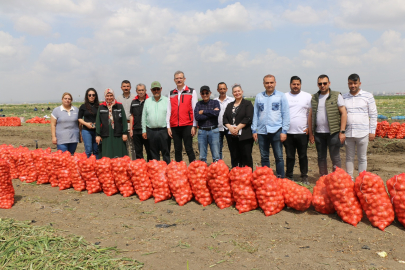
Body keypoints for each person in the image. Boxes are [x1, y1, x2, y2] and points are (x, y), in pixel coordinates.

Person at [308, 74, 347, 176]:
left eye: (325, 83)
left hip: (333, 133)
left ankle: (337, 178)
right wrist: (311, 134)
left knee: (335, 157)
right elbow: (310, 115)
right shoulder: (314, 98)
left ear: (329, 83)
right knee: (321, 157)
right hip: (319, 134)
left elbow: (343, 113)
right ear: (317, 84)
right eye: (320, 84)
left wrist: (342, 131)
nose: (322, 85)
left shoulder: (336, 95)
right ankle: (323, 178)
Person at [252, 74, 290, 178]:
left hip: (276, 130)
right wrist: (254, 130)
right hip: (262, 131)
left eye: (271, 82)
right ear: (263, 84)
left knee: (279, 156)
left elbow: (285, 114)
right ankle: (266, 178)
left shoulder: (281, 96)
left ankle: (280, 178)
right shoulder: (259, 96)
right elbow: (255, 114)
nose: (269, 85)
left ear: (275, 83)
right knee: (264, 156)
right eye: (267, 83)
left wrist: (284, 131)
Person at [343, 74, 378, 179]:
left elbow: (373, 114)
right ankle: (350, 180)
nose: (353, 85)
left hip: (363, 133)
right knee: (349, 157)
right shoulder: (343, 97)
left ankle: (361, 180)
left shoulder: (368, 96)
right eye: (350, 83)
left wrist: (372, 131)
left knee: (362, 157)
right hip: (348, 133)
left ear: (359, 83)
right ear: (348, 84)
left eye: (355, 83)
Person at [283, 76, 312, 184]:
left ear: (300, 85)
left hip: (302, 132)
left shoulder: (307, 96)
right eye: (294, 84)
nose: (296, 86)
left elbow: (310, 114)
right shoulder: (284, 96)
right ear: (290, 84)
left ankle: (304, 176)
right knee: (290, 156)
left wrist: (309, 128)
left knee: (303, 155)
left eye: (298, 84)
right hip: (288, 132)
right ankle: (289, 176)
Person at [166, 70, 197, 163]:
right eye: (177, 78)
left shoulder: (191, 91)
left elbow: (194, 109)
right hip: (175, 126)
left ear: (184, 79)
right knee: (177, 150)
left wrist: (194, 125)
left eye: (181, 78)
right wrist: (168, 126)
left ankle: (193, 169)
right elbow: (169, 110)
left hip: (187, 125)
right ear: (174, 80)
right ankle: (179, 171)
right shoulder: (171, 93)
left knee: (189, 148)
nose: (179, 80)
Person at [223, 84, 254, 169]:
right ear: (232, 93)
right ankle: (236, 177)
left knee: (246, 157)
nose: (237, 93)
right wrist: (230, 128)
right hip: (232, 136)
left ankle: (247, 178)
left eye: (238, 91)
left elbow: (248, 118)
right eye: (235, 92)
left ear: (242, 92)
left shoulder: (247, 104)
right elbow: (224, 118)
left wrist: (237, 128)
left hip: (245, 136)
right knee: (235, 157)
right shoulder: (230, 105)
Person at [142, 81, 171, 164]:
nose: (156, 91)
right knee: (153, 153)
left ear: (161, 89)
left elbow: (170, 115)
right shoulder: (147, 101)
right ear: (151, 90)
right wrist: (144, 130)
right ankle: (156, 172)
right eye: (154, 89)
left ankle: (166, 170)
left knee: (166, 151)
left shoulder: (167, 100)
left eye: (158, 89)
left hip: (164, 130)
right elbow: (144, 117)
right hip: (151, 131)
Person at [95, 89, 128, 158]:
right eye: (107, 96)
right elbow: (98, 122)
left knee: (118, 153)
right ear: (105, 96)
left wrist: (125, 133)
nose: (109, 97)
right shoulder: (101, 107)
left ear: (113, 96)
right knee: (107, 153)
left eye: (111, 95)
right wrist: (98, 135)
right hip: (106, 134)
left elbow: (124, 120)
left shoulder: (119, 106)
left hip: (118, 134)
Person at [194, 86, 221, 163]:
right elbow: (197, 117)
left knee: (216, 156)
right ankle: (203, 172)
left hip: (214, 130)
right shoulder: (198, 104)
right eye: (203, 93)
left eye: (207, 93)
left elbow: (216, 114)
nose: (205, 95)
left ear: (210, 93)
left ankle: (216, 172)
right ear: (200, 94)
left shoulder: (215, 102)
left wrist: (203, 112)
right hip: (202, 131)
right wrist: (210, 112)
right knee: (202, 156)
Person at [214, 82, 235, 164]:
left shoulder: (231, 100)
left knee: (232, 148)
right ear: (218, 90)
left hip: (229, 128)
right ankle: (219, 168)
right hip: (217, 128)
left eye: (224, 89)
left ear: (226, 89)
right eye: (220, 89)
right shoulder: (214, 101)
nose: (222, 90)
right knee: (218, 149)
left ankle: (234, 167)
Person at [130, 83, 151, 161]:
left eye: (142, 90)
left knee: (149, 150)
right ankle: (140, 168)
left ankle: (149, 167)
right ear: (136, 91)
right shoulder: (133, 102)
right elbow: (132, 115)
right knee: (138, 151)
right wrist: (131, 129)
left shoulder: (149, 101)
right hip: (136, 130)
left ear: (145, 90)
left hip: (147, 130)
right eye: (139, 90)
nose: (141, 92)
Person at [116, 80, 136, 159]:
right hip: (122, 124)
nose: (126, 88)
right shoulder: (118, 98)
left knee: (133, 145)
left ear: (130, 87)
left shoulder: (134, 97)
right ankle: (126, 162)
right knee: (125, 145)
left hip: (132, 124)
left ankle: (134, 162)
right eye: (124, 86)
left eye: (127, 86)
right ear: (121, 88)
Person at [78, 88, 100, 158]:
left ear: (95, 96)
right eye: (89, 95)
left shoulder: (99, 106)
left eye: (93, 95)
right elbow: (79, 118)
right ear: (87, 96)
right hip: (86, 130)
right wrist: (86, 124)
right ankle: (88, 165)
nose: (91, 96)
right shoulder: (83, 106)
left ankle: (96, 165)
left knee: (96, 149)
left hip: (96, 130)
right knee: (88, 149)